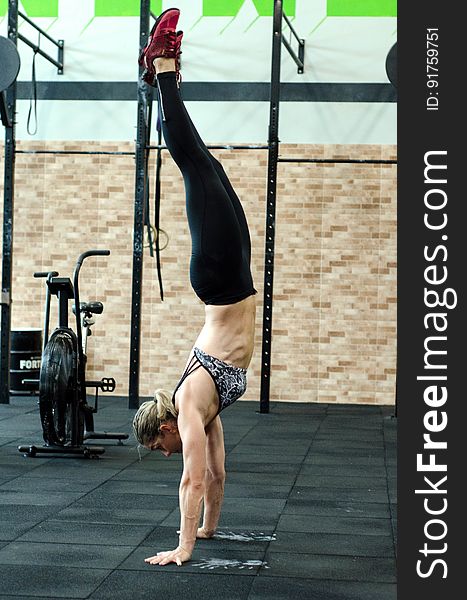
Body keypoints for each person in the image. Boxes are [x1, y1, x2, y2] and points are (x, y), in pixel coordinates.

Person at [132, 8, 257, 567]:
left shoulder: (186, 406)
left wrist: (180, 548)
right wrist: (206, 532)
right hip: (236, 279)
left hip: (220, 278)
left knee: (194, 166)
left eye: (160, 447)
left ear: (162, 428)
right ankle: (167, 77)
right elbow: (217, 474)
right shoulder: (203, 411)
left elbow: (192, 477)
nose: (168, 452)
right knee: (204, 164)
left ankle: (160, 69)